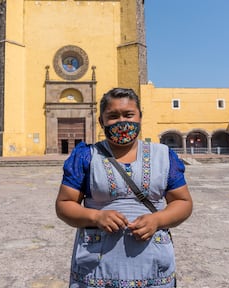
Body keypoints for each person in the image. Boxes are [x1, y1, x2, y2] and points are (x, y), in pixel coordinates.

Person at [56, 88, 193, 287]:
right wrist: (96, 217)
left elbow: (183, 201)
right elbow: (64, 204)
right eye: (113, 116)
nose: (122, 121)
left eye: (129, 114)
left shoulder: (163, 156)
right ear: (101, 121)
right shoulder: (86, 156)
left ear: (140, 117)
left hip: (152, 266)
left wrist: (157, 219)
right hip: (96, 269)